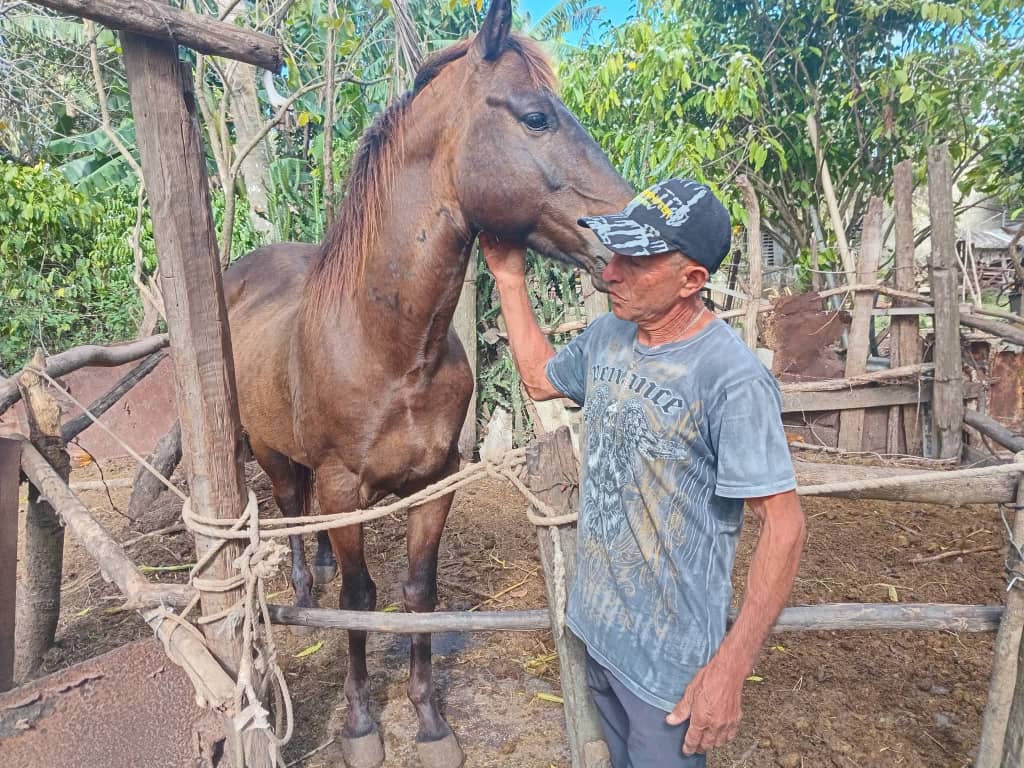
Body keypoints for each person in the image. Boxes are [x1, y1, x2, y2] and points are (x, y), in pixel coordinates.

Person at [480, 178, 807, 767]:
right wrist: (509, 279)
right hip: (596, 631)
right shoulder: (610, 335)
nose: (610, 274)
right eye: (614, 255)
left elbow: (785, 527)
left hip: (669, 674)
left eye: (636, 261)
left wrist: (730, 669)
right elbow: (539, 378)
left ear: (692, 281)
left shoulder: (730, 380)